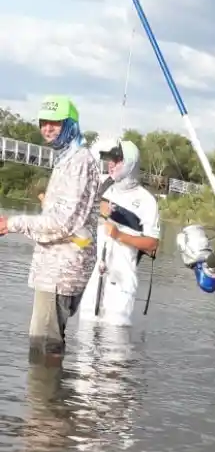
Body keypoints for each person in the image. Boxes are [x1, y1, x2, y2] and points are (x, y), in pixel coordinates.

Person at [0, 96, 100, 359]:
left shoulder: (78, 161)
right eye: (43, 122)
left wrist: (13, 223)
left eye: (55, 123)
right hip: (58, 268)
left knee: (43, 346)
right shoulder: (68, 158)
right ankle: (53, 398)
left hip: (61, 271)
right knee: (49, 346)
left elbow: (61, 223)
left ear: (70, 124)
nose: (47, 129)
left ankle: (45, 400)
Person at [78, 139, 160, 328]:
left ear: (130, 163)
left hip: (121, 284)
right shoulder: (102, 188)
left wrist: (118, 235)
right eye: (109, 159)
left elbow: (152, 244)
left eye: (117, 160)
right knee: (83, 352)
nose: (111, 164)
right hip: (92, 280)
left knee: (115, 351)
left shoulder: (147, 201)